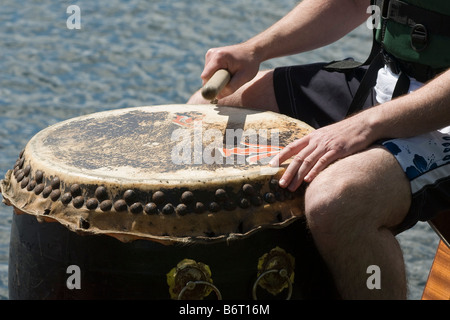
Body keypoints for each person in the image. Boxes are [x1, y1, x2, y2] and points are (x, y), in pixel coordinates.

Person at [188, 0, 450, 299]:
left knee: (337, 200)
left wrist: (364, 126)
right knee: (204, 119)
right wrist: (255, 49)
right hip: (383, 78)